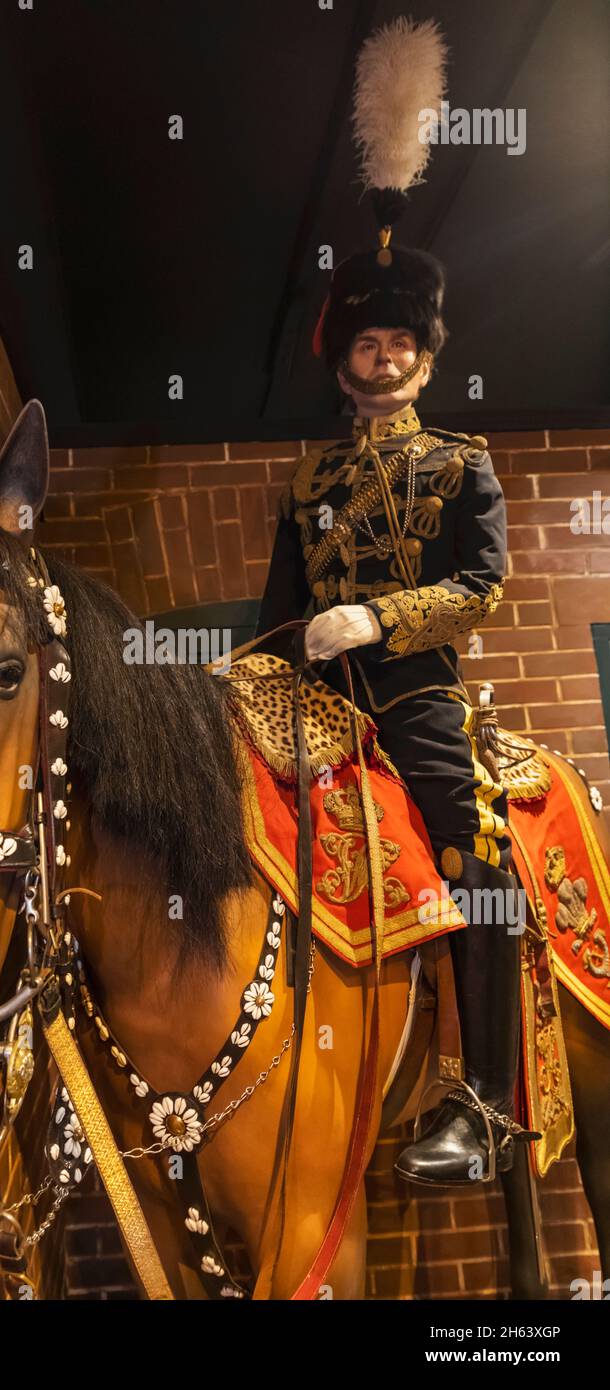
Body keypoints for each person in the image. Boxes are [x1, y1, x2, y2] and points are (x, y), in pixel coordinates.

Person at [255, 231, 531, 1185]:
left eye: (400, 341)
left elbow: (485, 587)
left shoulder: (463, 463)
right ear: (346, 364)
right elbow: (275, 623)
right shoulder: (305, 484)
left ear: (424, 355)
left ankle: (485, 1105)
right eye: (368, 343)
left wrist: (376, 618)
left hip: (416, 697)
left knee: (472, 842)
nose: (385, 354)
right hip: (321, 709)